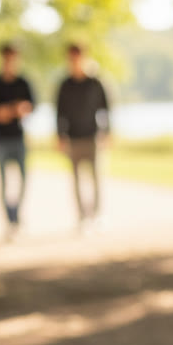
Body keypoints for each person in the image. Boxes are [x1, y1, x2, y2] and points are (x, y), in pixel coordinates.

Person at [0, 43, 33, 239]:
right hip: (0, 139)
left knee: (22, 180)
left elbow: (31, 105)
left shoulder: (23, 83)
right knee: (3, 182)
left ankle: (16, 215)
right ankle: (9, 220)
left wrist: (22, 110)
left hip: (18, 137)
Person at [55, 42, 110, 231]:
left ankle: (96, 215)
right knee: (76, 180)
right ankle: (81, 217)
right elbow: (59, 112)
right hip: (73, 138)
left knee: (95, 177)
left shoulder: (95, 82)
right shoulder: (65, 85)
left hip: (92, 136)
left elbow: (106, 108)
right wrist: (60, 136)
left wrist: (107, 131)